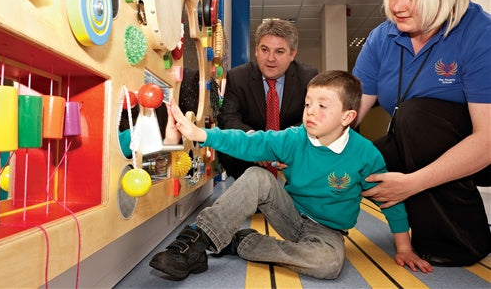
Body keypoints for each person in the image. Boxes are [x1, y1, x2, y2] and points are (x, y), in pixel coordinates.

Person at [149, 70, 432, 281]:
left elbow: (389, 198)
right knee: (257, 177)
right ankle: (196, 241)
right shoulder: (296, 138)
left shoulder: (366, 154)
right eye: (308, 104)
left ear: (347, 117)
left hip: (329, 231)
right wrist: (201, 134)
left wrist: (404, 247)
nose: (310, 112)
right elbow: (250, 142)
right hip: (289, 214)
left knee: (329, 264)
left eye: (322, 106)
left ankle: (241, 242)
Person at [352, 0, 491, 266]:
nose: (398, 6)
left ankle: (462, 240)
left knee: (415, 116)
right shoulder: (382, 38)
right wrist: (307, 147)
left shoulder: (480, 34)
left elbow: (487, 140)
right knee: (359, 164)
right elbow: (348, 113)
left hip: (480, 150)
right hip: (411, 137)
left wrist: (412, 183)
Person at [217, 19, 318, 179]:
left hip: (294, 164)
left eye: (279, 52)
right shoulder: (238, 77)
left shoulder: (308, 77)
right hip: (247, 165)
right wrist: (256, 143)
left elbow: (313, 119)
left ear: (292, 54)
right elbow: (228, 117)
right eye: (265, 50)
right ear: (256, 50)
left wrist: (284, 146)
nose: (270, 58)